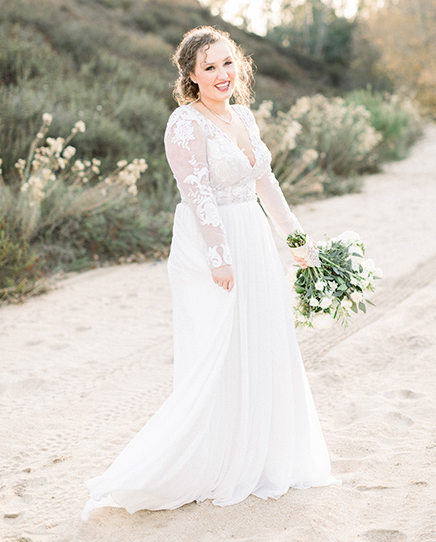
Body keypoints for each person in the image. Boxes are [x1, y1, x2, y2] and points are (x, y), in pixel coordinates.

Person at [81, 26, 339, 520]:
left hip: (254, 241)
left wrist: (296, 240)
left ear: (238, 63)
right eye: (209, 68)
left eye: (227, 63)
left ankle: (261, 456)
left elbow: (266, 183)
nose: (222, 74)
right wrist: (220, 257)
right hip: (211, 247)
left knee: (260, 342)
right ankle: (206, 463)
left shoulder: (242, 115)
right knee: (217, 354)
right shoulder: (185, 123)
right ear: (192, 77)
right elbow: (197, 194)